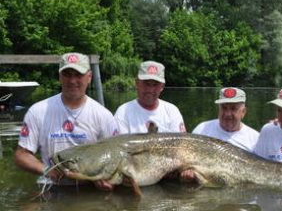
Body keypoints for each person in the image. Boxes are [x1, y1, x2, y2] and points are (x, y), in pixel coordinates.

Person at [14, 52, 118, 191]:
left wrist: (109, 179)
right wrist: (46, 170)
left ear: (89, 77)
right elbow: (22, 155)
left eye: (78, 75)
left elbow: (116, 156)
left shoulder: (103, 115)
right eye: (67, 74)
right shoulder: (38, 111)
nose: (72, 81)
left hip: (89, 188)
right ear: (59, 77)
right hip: (50, 185)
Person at [114, 60, 186, 134]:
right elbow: (118, 144)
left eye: (155, 84)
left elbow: (182, 143)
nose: (150, 90)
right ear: (137, 83)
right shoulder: (123, 112)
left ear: (162, 86)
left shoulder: (172, 111)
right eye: (146, 83)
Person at [192, 87, 259, 152]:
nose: (228, 114)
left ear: (243, 112)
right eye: (224, 108)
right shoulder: (202, 130)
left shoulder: (255, 139)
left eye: (233, 109)